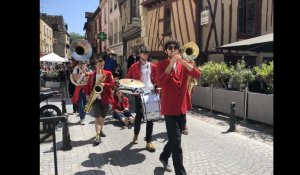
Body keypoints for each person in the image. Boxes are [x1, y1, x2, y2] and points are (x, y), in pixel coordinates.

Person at [155, 39, 201, 174]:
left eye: (175, 48)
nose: (173, 49)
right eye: (170, 48)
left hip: (181, 108)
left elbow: (197, 74)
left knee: (176, 139)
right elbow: (160, 82)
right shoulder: (161, 65)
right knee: (177, 144)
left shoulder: (184, 64)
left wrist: (182, 62)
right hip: (169, 109)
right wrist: (172, 63)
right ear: (166, 51)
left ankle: (164, 156)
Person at [126, 46, 157, 152]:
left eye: (147, 53)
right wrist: (132, 87)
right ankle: (136, 134)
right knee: (139, 117)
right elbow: (128, 79)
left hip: (151, 94)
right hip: (139, 95)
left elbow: (157, 79)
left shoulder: (153, 66)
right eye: (143, 53)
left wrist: (157, 87)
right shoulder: (134, 66)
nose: (145, 55)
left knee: (150, 118)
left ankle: (149, 141)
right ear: (139, 54)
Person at [86, 58, 115, 146]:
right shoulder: (92, 75)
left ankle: (101, 130)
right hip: (95, 99)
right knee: (97, 117)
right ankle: (97, 136)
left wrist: (104, 84)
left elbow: (112, 84)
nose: (100, 67)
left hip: (105, 98)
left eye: (102, 65)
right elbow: (88, 85)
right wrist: (87, 95)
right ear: (96, 65)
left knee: (102, 117)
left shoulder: (108, 73)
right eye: (99, 65)